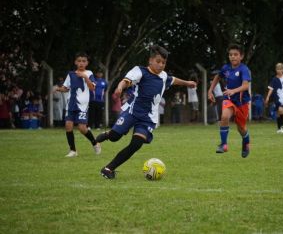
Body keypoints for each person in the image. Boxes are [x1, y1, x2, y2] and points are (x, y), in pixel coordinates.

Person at [96, 45, 196, 179]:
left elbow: (173, 80)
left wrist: (187, 83)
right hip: (132, 112)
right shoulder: (140, 71)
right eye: (158, 61)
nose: (161, 65)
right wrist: (120, 88)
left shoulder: (164, 76)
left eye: (164, 63)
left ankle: (108, 168)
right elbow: (126, 81)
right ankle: (108, 134)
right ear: (150, 60)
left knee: (136, 144)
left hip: (147, 118)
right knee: (115, 137)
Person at [208, 44, 251, 157]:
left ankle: (246, 142)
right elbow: (218, 77)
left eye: (236, 54)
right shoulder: (225, 68)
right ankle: (223, 144)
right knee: (224, 116)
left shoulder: (244, 69)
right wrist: (210, 90)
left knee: (241, 128)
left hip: (242, 102)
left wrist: (234, 91)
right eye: (231, 55)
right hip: (229, 99)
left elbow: (246, 86)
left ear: (241, 56)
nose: (233, 57)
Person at [56, 52, 101, 157]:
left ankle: (95, 143)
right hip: (71, 104)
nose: (81, 63)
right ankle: (73, 150)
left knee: (82, 128)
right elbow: (66, 88)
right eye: (79, 61)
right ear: (75, 62)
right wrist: (58, 89)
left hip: (83, 105)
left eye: (83, 61)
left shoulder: (89, 73)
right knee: (68, 125)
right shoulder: (71, 74)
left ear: (87, 63)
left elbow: (92, 88)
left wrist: (85, 77)